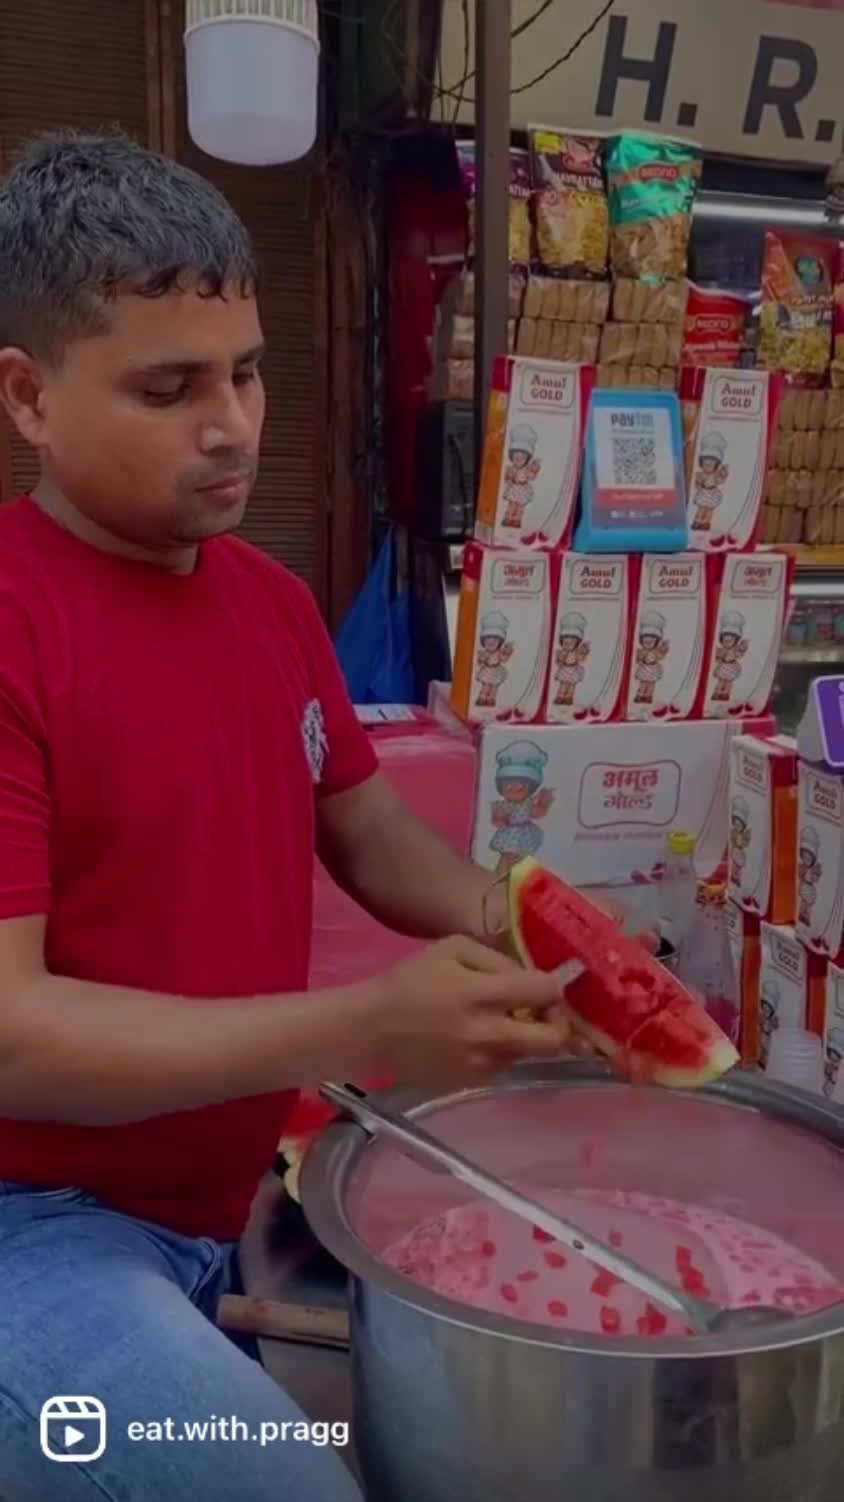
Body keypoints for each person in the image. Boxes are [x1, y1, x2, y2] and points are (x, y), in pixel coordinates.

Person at [0, 129, 634, 1502]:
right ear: (28, 397)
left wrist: (509, 909)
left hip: (211, 1210)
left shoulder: (273, 603)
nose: (231, 422)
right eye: (168, 388)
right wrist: (361, 1025)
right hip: (33, 1232)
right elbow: (12, 1034)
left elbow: (365, 834)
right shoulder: (10, 625)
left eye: (247, 371)